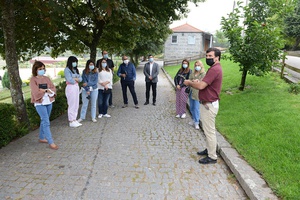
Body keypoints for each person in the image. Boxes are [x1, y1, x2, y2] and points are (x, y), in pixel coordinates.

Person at [184, 47, 223, 165]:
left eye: (210, 56)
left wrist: (189, 83)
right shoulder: (214, 68)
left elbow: (201, 86)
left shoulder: (215, 69)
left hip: (209, 105)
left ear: (217, 57)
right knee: (207, 130)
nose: (208, 58)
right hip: (207, 103)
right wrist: (197, 82)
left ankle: (212, 156)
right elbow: (204, 84)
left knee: (209, 131)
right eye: (207, 56)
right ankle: (209, 149)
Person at [29, 61, 58, 150]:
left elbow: (52, 88)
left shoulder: (46, 78)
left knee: (45, 119)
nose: (42, 70)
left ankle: (41, 137)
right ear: (36, 70)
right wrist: (46, 91)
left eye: (43, 69)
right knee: (46, 121)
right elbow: (35, 92)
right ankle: (51, 141)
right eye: (40, 69)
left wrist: (46, 90)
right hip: (39, 103)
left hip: (49, 102)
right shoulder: (33, 80)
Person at [64, 56, 82, 128]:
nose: (75, 63)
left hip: (76, 87)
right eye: (74, 62)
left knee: (76, 103)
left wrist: (75, 78)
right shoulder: (67, 70)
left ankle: (74, 119)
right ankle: (71, 120)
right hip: (70, 87)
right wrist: (76, 78)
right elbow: (70, 80)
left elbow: (80, 79)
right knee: (71, 104)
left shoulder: (75, 70)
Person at [188, 60, 206, 130]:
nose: (197, 67)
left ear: (201, 66)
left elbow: (201, 82)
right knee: (192, 107)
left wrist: (193, 82)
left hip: (197, 93)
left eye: (198, 65)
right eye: (196, 65)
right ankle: (193, 119)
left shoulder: (203, 74)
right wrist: (193, 81)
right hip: (191, 92)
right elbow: (189, 80)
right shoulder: (193, 73)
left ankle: (197, 122)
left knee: (196, 108)